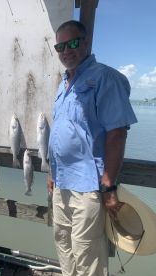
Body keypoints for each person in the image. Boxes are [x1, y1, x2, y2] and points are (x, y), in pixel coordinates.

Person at [47, 20, 137, 276]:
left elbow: (117, 134)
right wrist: (53, 174)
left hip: (89, 186)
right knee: (64, 245)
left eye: (73, 43)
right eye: (60, 46)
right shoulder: (63, 84)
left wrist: (109, 186)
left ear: (86, 43)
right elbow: (63, 133)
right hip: (61, 183)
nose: (66, 50)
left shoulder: (106, 78)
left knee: (87, 253)